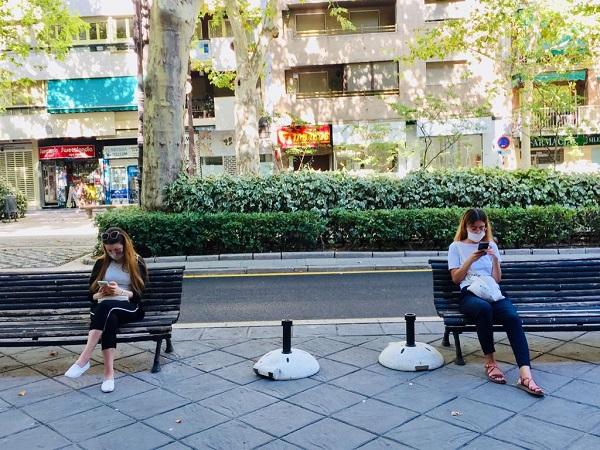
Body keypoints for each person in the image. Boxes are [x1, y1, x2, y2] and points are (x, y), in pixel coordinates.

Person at [448, 208, 544, 396]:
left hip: (492, 291)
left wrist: (494, 258)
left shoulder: (491, 244)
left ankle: (525, 374)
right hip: (470, 293)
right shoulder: (456, 247)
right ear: (465, 227)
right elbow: (456, 279)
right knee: (483, 310)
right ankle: (490, 362)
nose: (478, 231)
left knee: (512, 317)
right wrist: (470, 260)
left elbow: (497, 279)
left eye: (482, 227)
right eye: (474, 228)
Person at [64, 227, 148, 393]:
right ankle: (108, 375)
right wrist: (100, 293)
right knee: (108, 315)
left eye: (117, 250)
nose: (113, 254)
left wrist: (120, 292)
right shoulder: (101, 263)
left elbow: (139, 295)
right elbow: (90, 296)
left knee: (107, 307)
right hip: (103, 307)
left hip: (128, 306)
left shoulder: (136, 262)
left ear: (126, 246)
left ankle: (84, 359)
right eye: (109, 250)